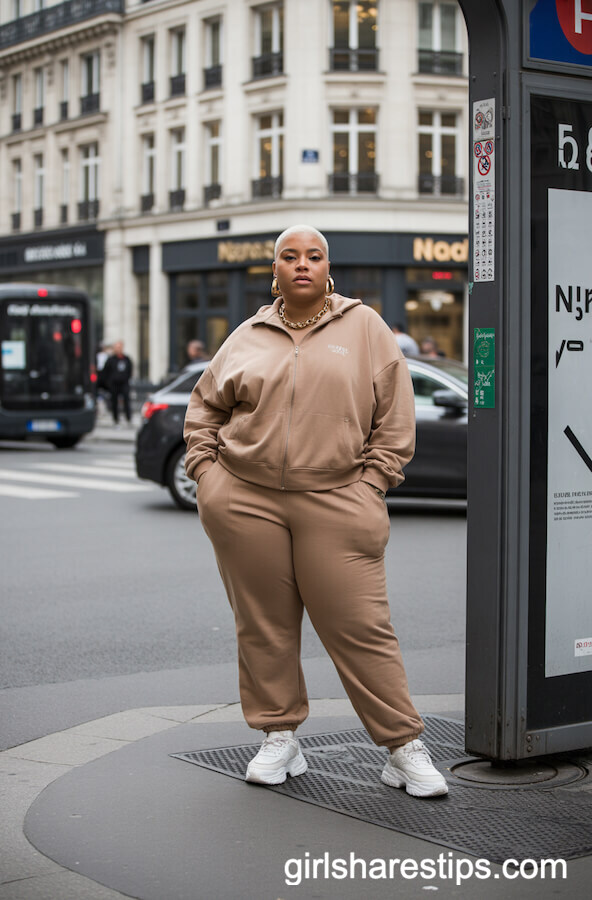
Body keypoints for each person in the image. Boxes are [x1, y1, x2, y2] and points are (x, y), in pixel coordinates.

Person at [184, 225, 448, 799]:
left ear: (329, 267)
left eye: (314, 255)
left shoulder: (366, 328)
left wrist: (371, 483)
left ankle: (402, 746)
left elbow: (396, 419)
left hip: (337, 498)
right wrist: (208, 477)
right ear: (274, 270)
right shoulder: (248, 334)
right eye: (289, 256)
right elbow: (205, 408)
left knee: (361, 628)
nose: (301, 264)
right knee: (263, 626)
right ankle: (279, 735)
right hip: (245, 499)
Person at [102, 340, 133, 424]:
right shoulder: (111, 360)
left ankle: (128, 418)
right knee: (114, 402)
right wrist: (108, 383)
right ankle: (116, 419)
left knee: (126, 400)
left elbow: (130, 370)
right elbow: (105, 372)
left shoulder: (126, 359)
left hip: (124, 383)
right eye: (116, 347)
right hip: (114, 384)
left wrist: (126, 378)